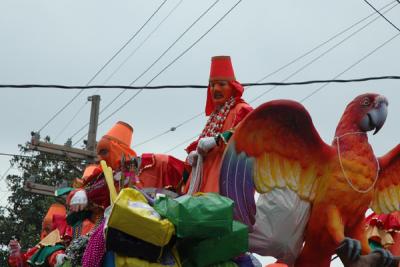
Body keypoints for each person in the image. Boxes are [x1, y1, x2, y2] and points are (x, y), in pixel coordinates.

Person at [184, 55, 253, 194]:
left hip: (224, 177)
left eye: (221, 84)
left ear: (232, 88)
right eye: (212, 85)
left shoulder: (241, 110)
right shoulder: (215, 116)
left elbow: (247, 133)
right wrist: (194, 154)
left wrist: (216, 140)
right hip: (202, 177)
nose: (215, 89)